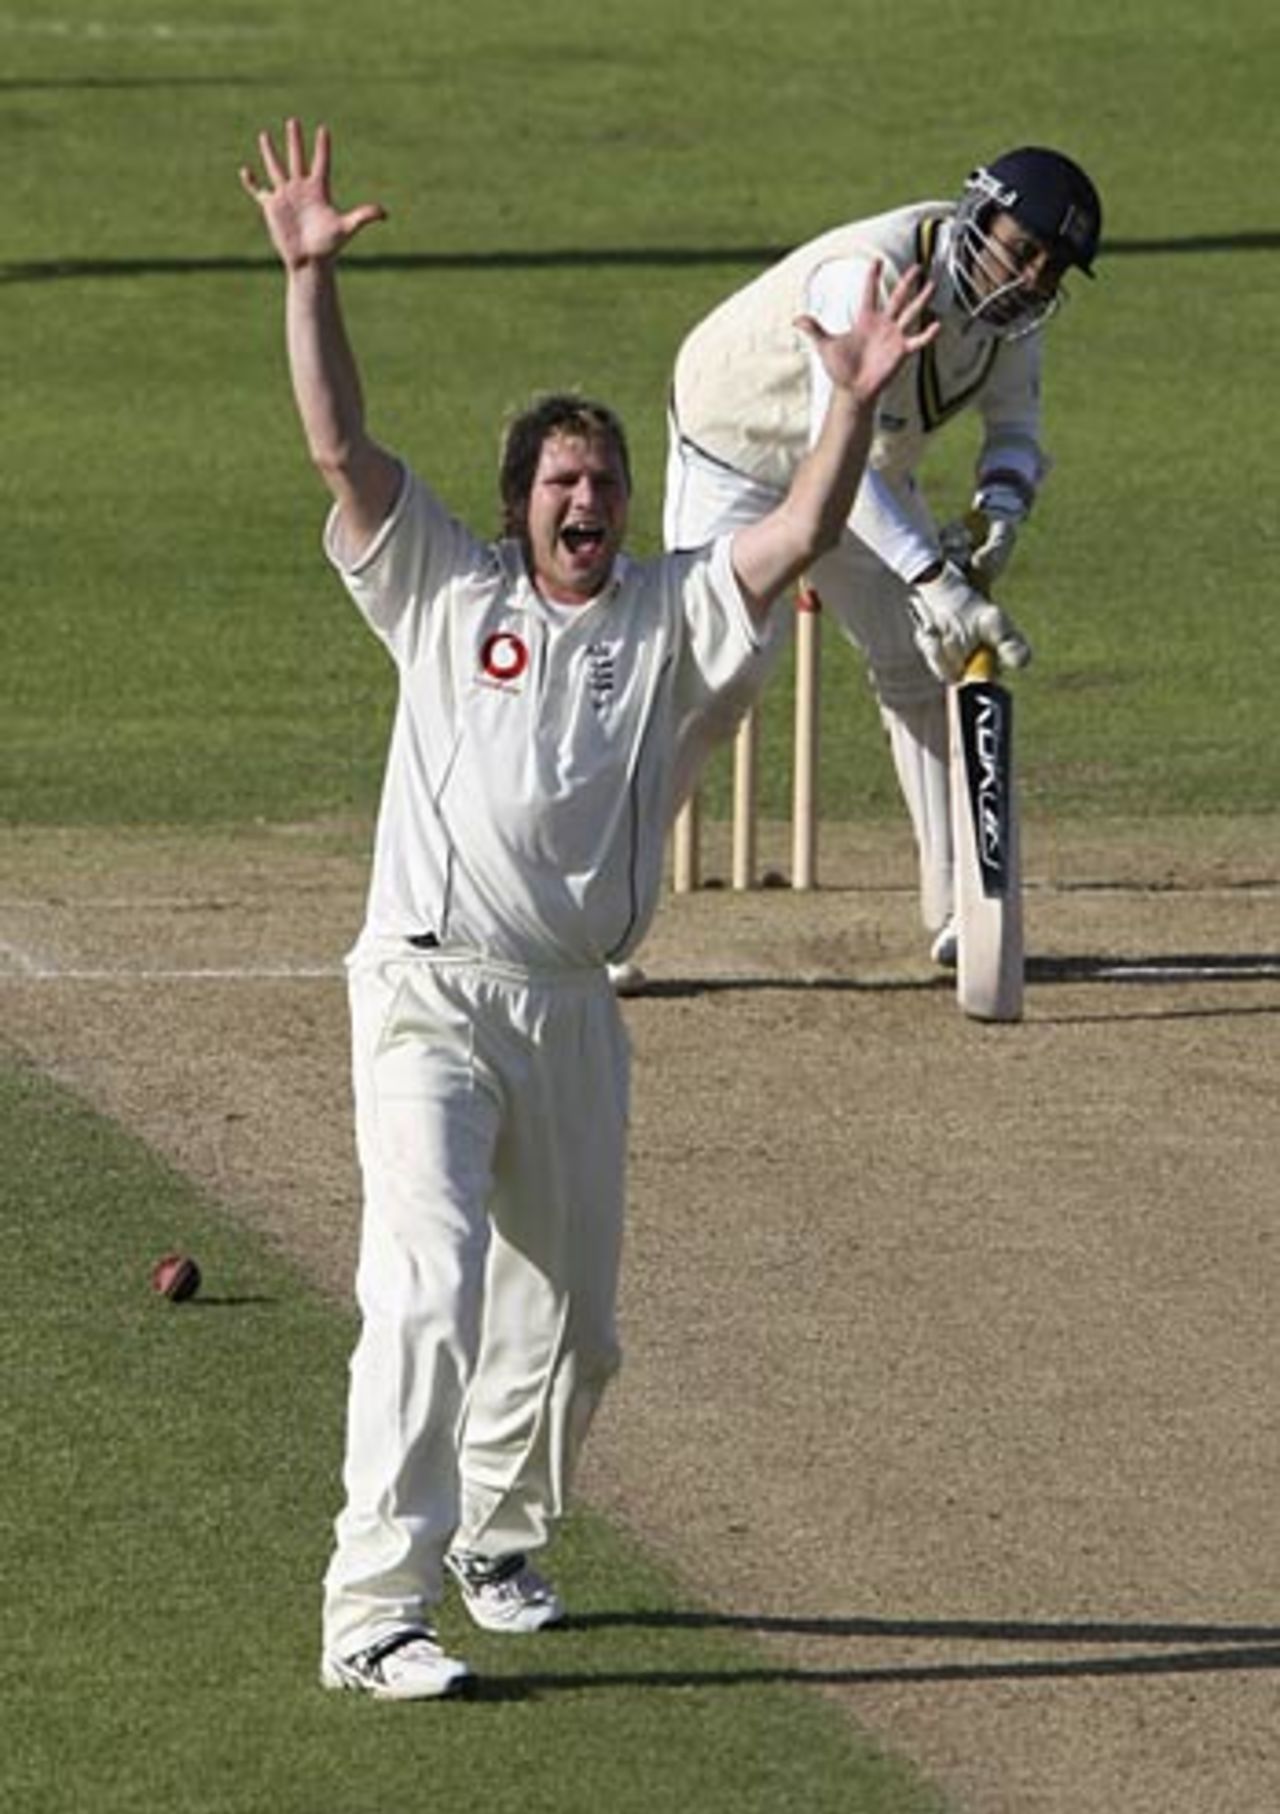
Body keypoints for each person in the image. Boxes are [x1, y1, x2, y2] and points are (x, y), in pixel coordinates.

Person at [239, 116, 967, 1704]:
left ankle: (501, 1537)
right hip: (429, 989)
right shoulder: (444, 587)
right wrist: (308, 280)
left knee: (573, 1334)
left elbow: (799, 535)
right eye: (563, 480)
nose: (589, 497)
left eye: (608, 479)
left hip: (572, 1005)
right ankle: (373, 1608)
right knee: (426, 1284)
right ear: (519, 503)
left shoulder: (672, 609)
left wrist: (851, 405)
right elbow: (341, 451)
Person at [662, 146, 1102, 967]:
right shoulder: (867, 276)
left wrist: (1001, 511)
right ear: (979, 215)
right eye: (1023, 250)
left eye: (1052, 268)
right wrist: (935, 579)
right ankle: (593, 922)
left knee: (922, 661)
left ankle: (959, 911)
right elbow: (834, 459)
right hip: (738, 446)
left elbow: (1014, 429)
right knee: (718, 680)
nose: (1031, 279)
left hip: (871, 466)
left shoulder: (1014, 319)